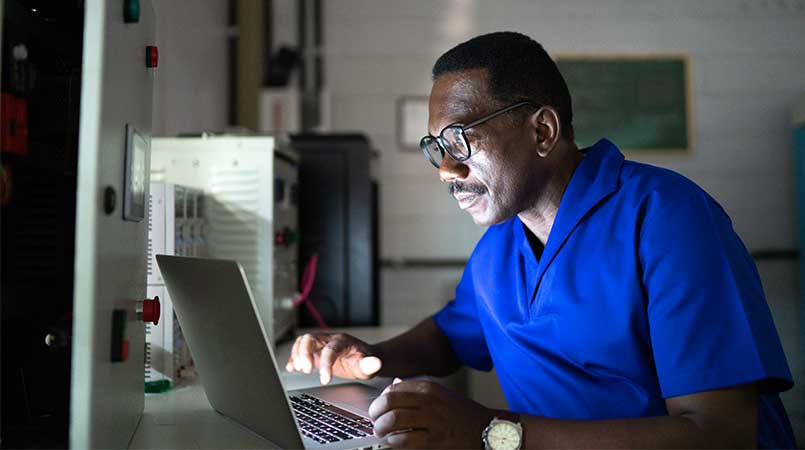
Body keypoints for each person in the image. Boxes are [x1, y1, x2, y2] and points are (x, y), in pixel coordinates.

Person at [286, 32, 795, 449]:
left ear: (543, 131)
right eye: (436, 148)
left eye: (460, 140)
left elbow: (718, 435)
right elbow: (448, 337)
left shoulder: (667, 219)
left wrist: (490, 432)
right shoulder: (500, 245)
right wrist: (369, 354)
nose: (445, 170)